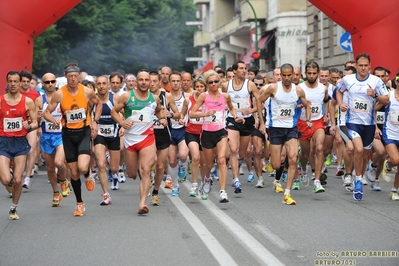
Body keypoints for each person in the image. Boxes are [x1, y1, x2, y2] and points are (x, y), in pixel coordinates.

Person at [43, 62, 102, 216]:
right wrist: (53, 120)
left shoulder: (87, 91)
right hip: (67, 134)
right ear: (66, 77)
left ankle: (88, 174)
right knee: (74, 173)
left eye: (76, 76)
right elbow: (47, 112)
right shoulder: (60, 93)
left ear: (79, 76)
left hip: (84, 131)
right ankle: (79, 203)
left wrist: (95, 120)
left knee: (82, 168)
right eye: (70, 77)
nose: (73, 79)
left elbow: (99, 103)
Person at [336, 53, 389, 201]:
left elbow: (386, 99)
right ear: (356, 66)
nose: (363, 68)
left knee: (365, 154)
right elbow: (338, 91)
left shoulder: (376, 81)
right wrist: (341, 104)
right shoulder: (348, 80)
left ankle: (359, 175)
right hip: (353, 122)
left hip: (369, 124)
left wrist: (375, 96)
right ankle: (358, 180)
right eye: (361, 65)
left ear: (370, 66)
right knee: (357, 149)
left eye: (366, 65)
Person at [111, 70, 164, 214]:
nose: (144, 82)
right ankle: (138, 177)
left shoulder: (154, 98)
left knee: (145, 169)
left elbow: (159, 111)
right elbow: (114, 112)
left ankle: (142, 204)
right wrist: (122, 122)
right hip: (130, 140)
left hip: (147, 138)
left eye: (147, 80)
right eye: (141, 79)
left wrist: (162, 118)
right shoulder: (127, 97)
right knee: (132, 174)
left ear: (151, 82)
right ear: (136, 82)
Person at [257, 63, 311, 205]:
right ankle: (274, 166)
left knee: (293, 158)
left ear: (293, 75)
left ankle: (287, 193)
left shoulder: (298, 90)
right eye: (284, 75)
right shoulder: (274, 88)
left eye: (289, 75)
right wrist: (262, 123)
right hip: (275, 128)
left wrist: (308, 116)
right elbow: (259, 100)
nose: (286, 78)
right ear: (281, 75)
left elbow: (306, 104)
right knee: (276, 164)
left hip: (291, 128)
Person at [190, 70, 240, 202]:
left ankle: (223, 192)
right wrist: (205, 114)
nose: (213, 84)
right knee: (207, 164)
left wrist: (236, 116)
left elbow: (232, 108)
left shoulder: (225, 96)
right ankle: (206, 179)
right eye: (210, 82)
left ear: (219, 82)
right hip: (207, 133)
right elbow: (192, 114)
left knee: (222, 159)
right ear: (206, 84)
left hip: (221, 132)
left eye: (216, 81)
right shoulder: (203, 97)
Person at [0, 70, 38, 219]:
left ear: (20, 83)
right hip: (3, 141)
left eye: (16, 81)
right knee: (5, 180)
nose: (13, 84)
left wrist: (28, 125)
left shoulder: (27, 101)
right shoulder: (1, 101)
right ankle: (9, 183)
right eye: (11, 81)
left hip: (20, 142)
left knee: (17, 179)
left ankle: (13, 208)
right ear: (7, 83)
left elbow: (35, 122)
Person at [221, 60, 261, 194]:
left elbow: (260, 103)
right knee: (233, 149)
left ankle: (236, 166)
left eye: (245, 68)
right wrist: (225, 107)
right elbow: (222, 102)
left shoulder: (250, 85)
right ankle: (236, 179)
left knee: (242, 153)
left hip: (247, 121)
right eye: (241, 68)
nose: (244, 71)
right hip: (232, 119)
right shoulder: (226, 85)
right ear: (234, 71)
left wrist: (251, 112)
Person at [36, 73, 70, 207]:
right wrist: (38, 119)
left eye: (52, 81)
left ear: (56, 82)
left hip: (61, 135)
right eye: (47, 82)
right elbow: (34, 119)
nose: (50, 84)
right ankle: (56, 192)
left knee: (59, 162)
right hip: (46, 136)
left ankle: (64, 181)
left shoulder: (62, 97)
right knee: (50, 168)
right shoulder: (39, 100)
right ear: (43, 84)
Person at [297, 61, 329, 194]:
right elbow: (293, 104)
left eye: (314, 73)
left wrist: (326, 114)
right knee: (305, 153)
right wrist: (302, 106)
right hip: (303, 123)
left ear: (317, 73)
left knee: (319, 147)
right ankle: (304, 170)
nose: (311, 76)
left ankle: (317, 180)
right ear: (305, 73)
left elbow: (326, 101)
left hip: (318, 122)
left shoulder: (323, 88)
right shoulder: (299, 88)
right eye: (309, 73)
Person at [148, 71, 180, 205]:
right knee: (149, 163)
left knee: (160, 166)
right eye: (150, 81)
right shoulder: (142, 96)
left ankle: (155, 191)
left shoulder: (167, 96)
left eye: (155, 81)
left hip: (164, 134)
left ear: (160, 82)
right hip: (147, 134)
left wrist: (170, 115)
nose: (152, 83)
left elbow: (178, 114)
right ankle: (147, 180)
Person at [93, 75, 124, 206]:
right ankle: (106, 195)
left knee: (114, 168)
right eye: (99, 84)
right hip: (99, 133)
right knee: (101, 164)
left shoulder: (115, 98)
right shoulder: (92, 100)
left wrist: (123, 125)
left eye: (104, 83)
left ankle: (114, 171)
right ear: (96, 85)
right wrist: (91, 125)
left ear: (108, 85)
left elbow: (124, 112)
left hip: (113, 133)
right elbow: (88, 115)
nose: (101, 86)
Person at [180, 76, 207, 197]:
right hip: (191, 132)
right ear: (194, 87)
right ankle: (194, 184)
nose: (199, 89)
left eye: (202, 86)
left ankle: (204, 183)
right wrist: (181, 119)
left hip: (205, 132)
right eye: (197, 87)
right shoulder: (188, 100)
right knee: (195, 157)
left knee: (205, 162)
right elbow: (183, 113)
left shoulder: (209, 100)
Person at [167, 71, 190, 196]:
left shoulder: (186, 96)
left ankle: (183, 166)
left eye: (177, 81)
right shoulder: (166, 96)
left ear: (181, 82)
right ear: (170, 83)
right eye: (173, 81)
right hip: (170, 131)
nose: (176, 83)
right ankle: (175, 186)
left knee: (182, 156)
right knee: (171, 161)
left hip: (183, 130)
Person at [19, 70, 40, 190]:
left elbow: (37, 111)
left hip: (31, 125)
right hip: (18, 126)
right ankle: (18, 175)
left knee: (30, 151)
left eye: (28, 81)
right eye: (23, 81)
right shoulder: (15, 93)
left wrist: (38, 126)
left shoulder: (35, 94)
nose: (25, 84)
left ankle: (27, 177)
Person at [382, 78, 399, 200]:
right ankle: (388, 164)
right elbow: (376, 108)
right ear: (397, 82)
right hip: (390, 133)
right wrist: (376, 127)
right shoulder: (390, 96)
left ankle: (394, 190)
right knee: (396, 160)